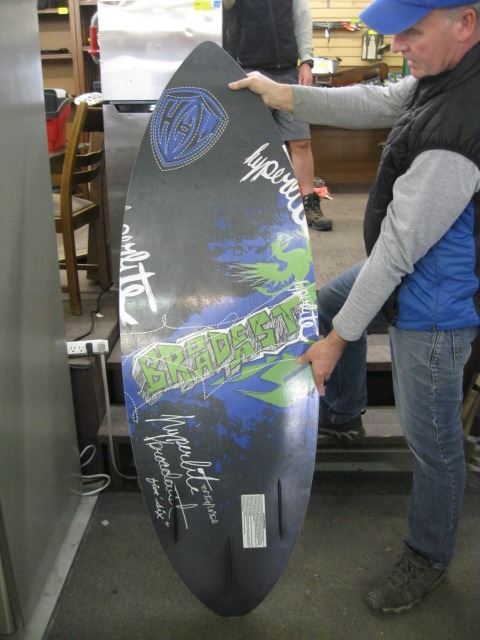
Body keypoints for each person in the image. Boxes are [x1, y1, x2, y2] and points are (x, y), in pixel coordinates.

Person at [229, 0, 480, 614]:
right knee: (324, 305)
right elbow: (377, 102)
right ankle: (344, 416)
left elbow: (398, 249)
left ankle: (428, 555)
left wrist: (337, 343)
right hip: (407, 268)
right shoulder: (443, 77)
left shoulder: (460, 125)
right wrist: (283, 95)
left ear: (466, 23)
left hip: (433, 304)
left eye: (412, 32)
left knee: (433, 443)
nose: (399, 45)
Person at [223, 0, 333, 231]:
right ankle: (249, 205)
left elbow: (302, 18)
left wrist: (306, 62)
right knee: (251, 145)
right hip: (248, 70)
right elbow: (223, 7)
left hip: (288, 73)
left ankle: (309, 203)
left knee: (301, 141)